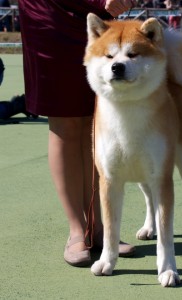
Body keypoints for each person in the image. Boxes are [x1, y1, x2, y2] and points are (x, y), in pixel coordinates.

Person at [18, 0, 136, 267]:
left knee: (96, 123)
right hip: (51, 15)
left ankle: (99, 228)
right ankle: (76, 230)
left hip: (99, 16)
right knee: (66, 121)